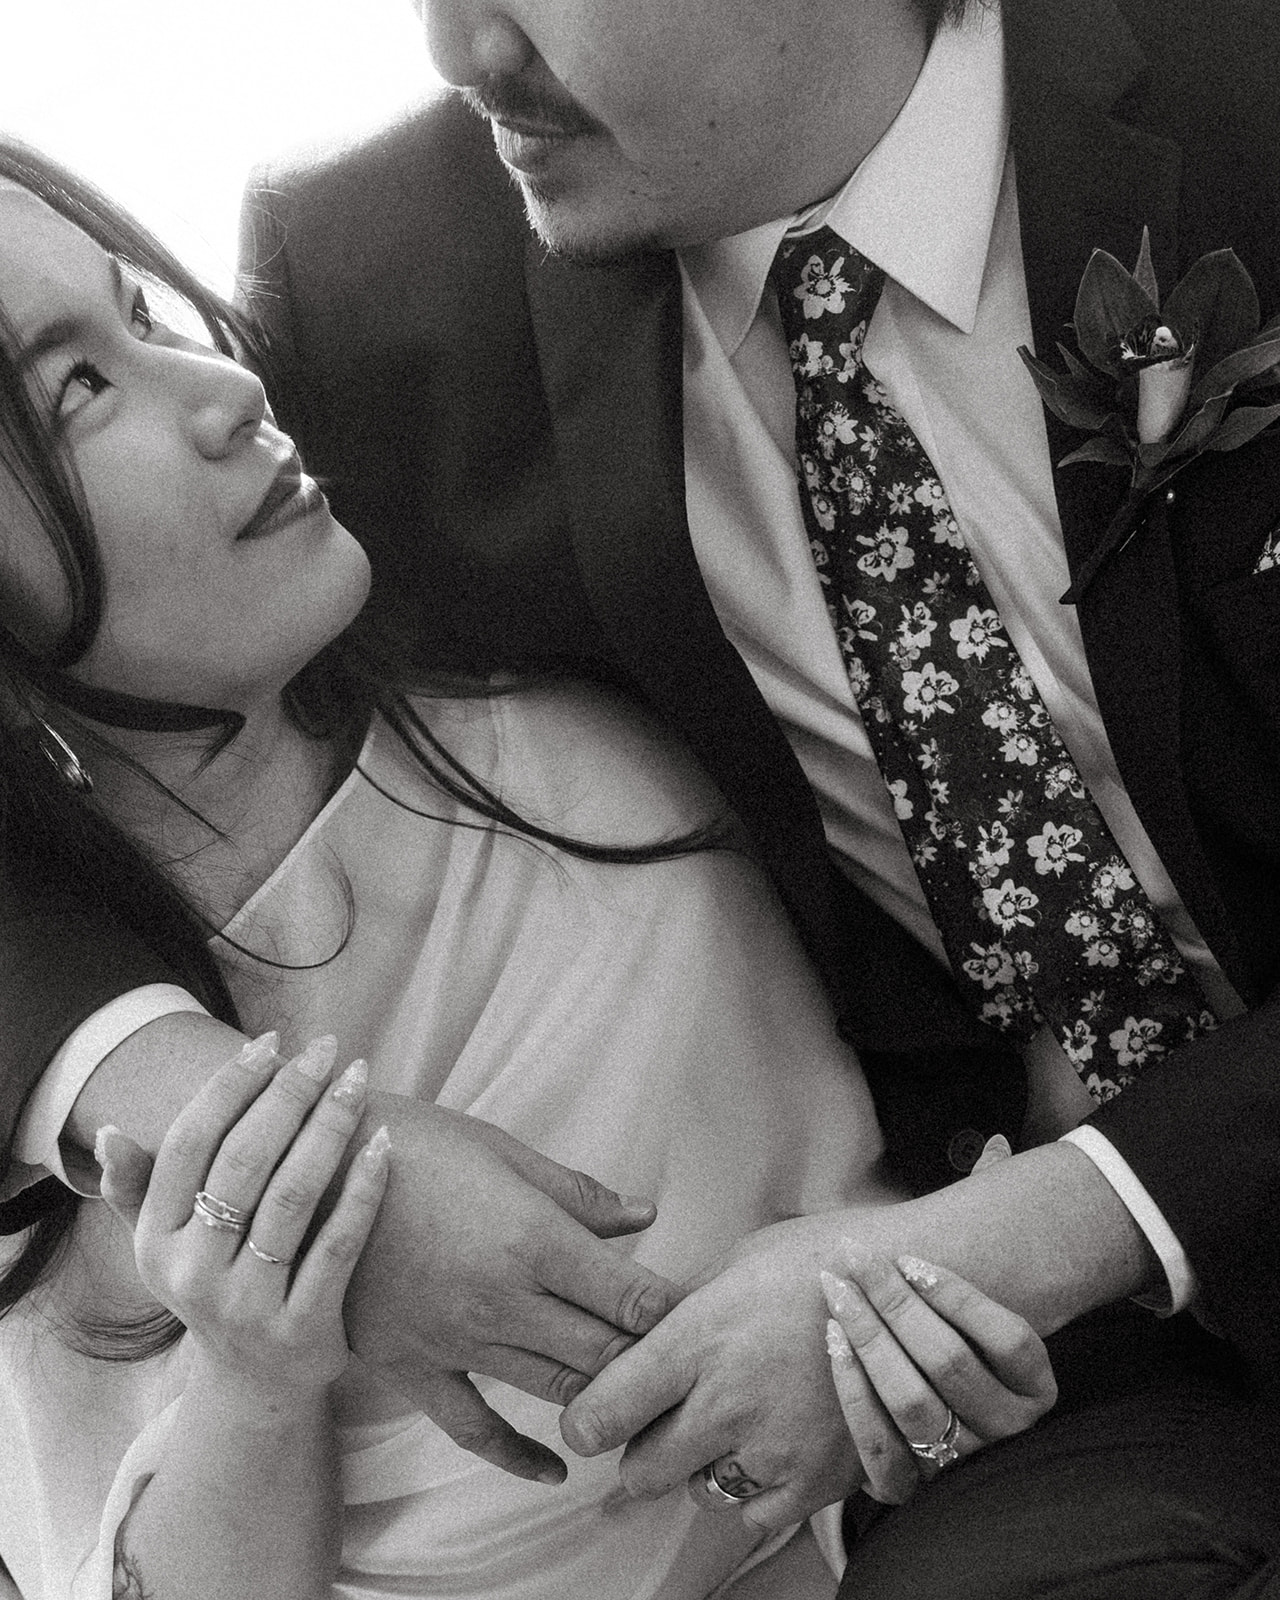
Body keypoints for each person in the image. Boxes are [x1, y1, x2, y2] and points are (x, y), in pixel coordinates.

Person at [3, 0, 1280, 1589]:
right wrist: (222, 1124)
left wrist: (1051, 1231)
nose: (456, 49)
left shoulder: (1243, 93)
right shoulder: (389, 278)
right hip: (1060, 1411)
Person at [0, 140, 947, 1596]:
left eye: (144, 314)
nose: (223, 393)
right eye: (75, 391)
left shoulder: (545, 697)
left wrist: (937, 1329)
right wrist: (265, 1378)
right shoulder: (79, 1098)